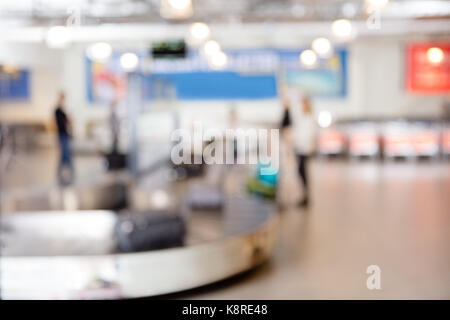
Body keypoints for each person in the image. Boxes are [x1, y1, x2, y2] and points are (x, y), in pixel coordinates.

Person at [291, 93, 317, 207]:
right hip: (299, 146)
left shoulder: (310, 118)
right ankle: (304, 195)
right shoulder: (301, 117)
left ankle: (306, 196)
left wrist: (310, 146)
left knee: (302, 170)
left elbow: (311, 134)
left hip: (305, 148)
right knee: (300, 171)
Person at [54, 91, 74, 185]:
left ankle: (69, 171)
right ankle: (61, 171)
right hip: (61, 134)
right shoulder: (58, 110)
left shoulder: (63, 110)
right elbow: (61, 123)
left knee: (66, 153)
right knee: (64, 153)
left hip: (65, 133)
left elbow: (68, 122)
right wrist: (66, 121)